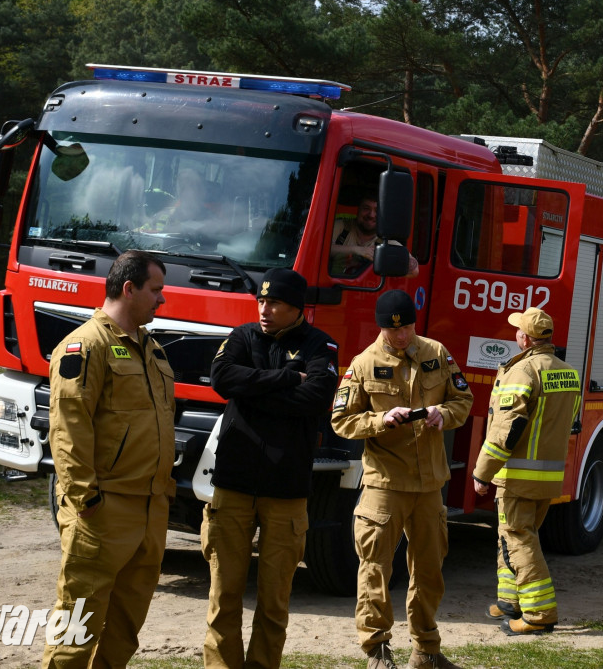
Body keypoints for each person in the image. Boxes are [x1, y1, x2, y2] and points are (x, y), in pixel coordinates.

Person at [202, 268, 340, 669]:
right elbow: (221, 378)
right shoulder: (242, 336)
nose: (264, 310)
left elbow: (316, 397)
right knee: (223, 596)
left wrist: (251, 391)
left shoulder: (320, 345)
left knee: (274, 601)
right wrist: (284, 378)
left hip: (286, 490)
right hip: (233, 484)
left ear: (297, 308)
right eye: (261, 301)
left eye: (275, 303)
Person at [43, 250, 175, 668]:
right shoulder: (86, 346)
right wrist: (85, 498)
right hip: (104, 511)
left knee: (124, 630)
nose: (162, 299)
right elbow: (68, 427)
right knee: (76, 628)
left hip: (150, 509)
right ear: (129, 288)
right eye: (156, 290)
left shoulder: (152, 350)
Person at [331, 289, 473, 669]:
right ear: (381, 328)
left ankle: (426, 651)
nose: (402, 336)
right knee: (375, 568)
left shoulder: (436, 353)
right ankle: (376, 652)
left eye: (407, 327)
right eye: (394, 330)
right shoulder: (364, 364)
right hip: (385, 483)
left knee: (429, 570)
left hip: (429, 484)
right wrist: (381, 420)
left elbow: (463, 400)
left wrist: (444, 414)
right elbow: (341, 420)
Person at [472, 307, 581, 636]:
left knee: (518, 541)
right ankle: (510, 601)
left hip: (518, 477)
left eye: (518, 330)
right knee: (514, 537)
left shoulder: (522, 372)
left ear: (525, 338)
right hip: (547, 477)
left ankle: (538, 614)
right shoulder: (568, 373)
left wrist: (482, 472)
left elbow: (506, 429)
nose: (516, 334)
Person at [329, 195, 419, 278]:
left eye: (377, 210)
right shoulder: (341, 226)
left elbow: (414, 271)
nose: (371, 215)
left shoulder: (387, 244)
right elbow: (323, 248)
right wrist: (357, 250)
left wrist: (381, 258)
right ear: (358, 210)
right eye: (366, 208)